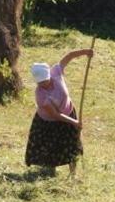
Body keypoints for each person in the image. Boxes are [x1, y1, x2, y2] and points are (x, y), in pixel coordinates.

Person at [24, 48, 94, 176]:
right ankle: (50, 172)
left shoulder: (56, 72)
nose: (44, 84)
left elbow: (70, 56)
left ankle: (73, 174)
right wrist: (75, 122)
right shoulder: (40, 95)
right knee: (51, 147)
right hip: (49, 122)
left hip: (68, 112)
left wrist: (86, 52)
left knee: (72, 144)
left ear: (49, 75)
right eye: (41, 82)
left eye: (45, 80)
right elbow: (55, 115)